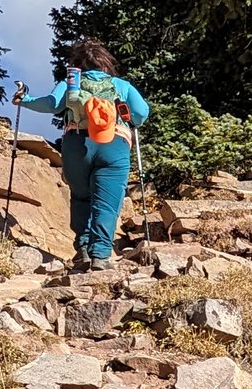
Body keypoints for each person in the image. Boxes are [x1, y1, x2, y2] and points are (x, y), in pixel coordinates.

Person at [14, 41, 152, 269]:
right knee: (106, 204)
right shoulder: (120, 85)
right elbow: (140, 113)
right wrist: (130, 120)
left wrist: (24, 100)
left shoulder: (71, 84)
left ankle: (83, 250)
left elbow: (51, 105)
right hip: (113, 143)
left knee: (81, 196)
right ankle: (100, 255)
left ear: (77, 65)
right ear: (106, 64)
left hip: (76, 143)